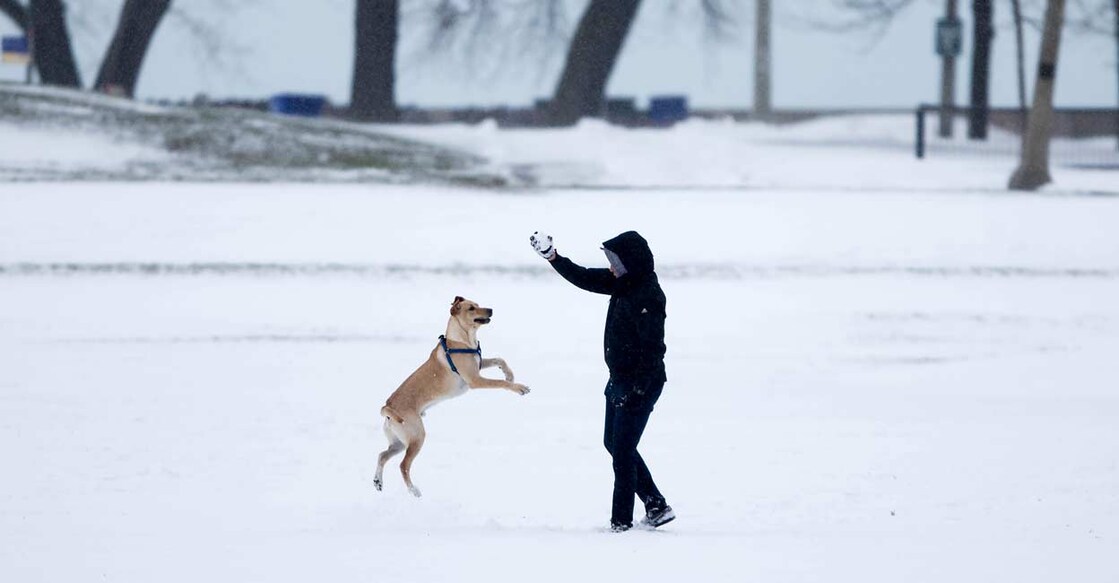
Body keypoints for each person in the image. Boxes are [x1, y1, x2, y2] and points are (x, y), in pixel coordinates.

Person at [530, 230, 675, 532]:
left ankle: (621, 523)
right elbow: (584, 277)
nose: (611, 267)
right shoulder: (623, 282)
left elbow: (654, 350)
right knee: (613, 443)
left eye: (615, 261)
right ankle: (656, 504)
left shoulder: (647, 294)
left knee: (622, 452)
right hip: (619, 380)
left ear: (630, 262)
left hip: (640, 384)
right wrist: (553, 258)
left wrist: (637, 389)